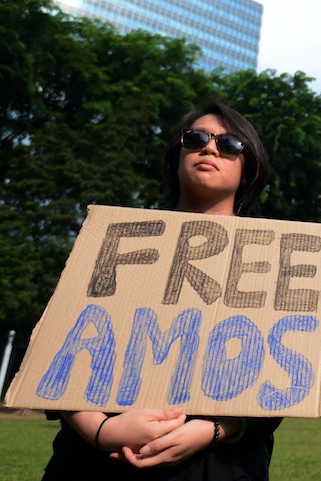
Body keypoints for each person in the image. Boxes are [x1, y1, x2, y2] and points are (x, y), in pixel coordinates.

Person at [42, 100, 282, 481]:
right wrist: (101, 430)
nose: (210, 148)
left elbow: (278, 379)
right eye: (196, 138)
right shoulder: (115, 241)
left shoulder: (272, 257)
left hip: (219, 468)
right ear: (176, 157)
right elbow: (59, 351)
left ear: (248, 168)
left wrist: (215, 427)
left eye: (230, 144)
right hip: (94, 464)